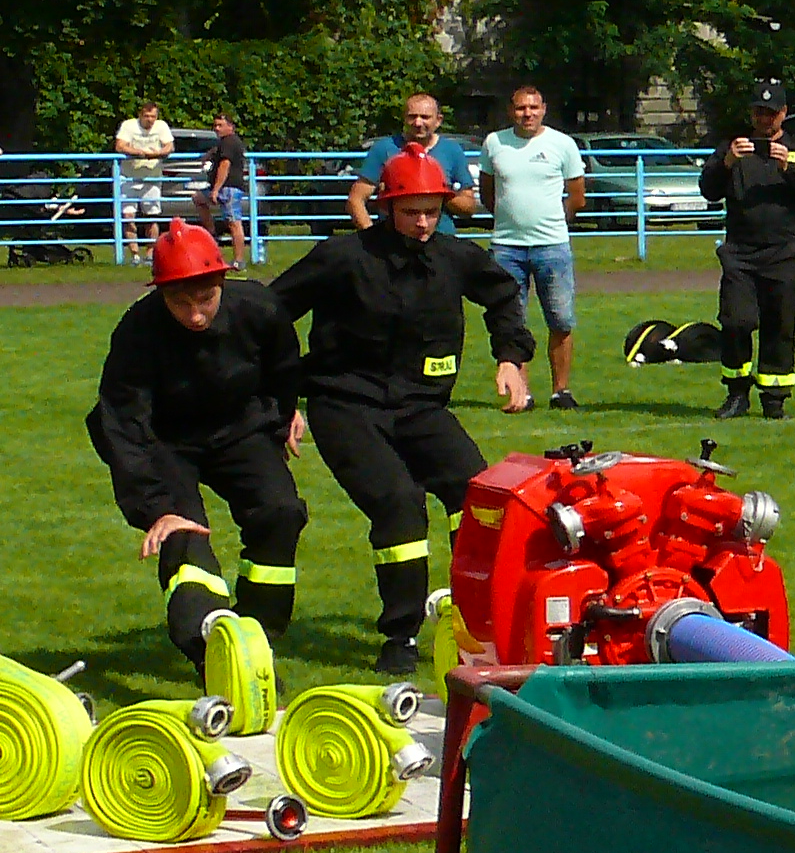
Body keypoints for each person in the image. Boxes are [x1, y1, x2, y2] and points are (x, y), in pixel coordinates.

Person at [273, 148, 532, 670]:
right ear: (387, 205)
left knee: (478, 491)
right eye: (411, 211)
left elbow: (504, 294)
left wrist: (510, 358)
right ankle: (401, 636)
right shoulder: (343, 256)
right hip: (345, 406)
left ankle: (475, 617)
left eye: (432, 211)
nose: (422, 223)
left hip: (421, 408)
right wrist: (278, 399)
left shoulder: (454, 257)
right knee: (398, 504)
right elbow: (270, 313)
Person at [86, 222, 308, 691]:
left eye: (204, 299)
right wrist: (156, 507)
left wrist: (282, 416)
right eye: (180, 303)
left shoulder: (260, 308)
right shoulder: (138, 330)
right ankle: (208, 653)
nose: (195, 315)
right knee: (185, 537)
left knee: (281, 512)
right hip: (164, 441)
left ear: (223, 283)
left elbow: (284, 366)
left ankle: (256, 646)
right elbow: (124, 424)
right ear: (160, 293)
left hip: (239, 429)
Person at [700, 81, 795, 420]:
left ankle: (774, 399)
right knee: (736, 322)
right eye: (758, 112)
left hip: (782, 251)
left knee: (779, 326)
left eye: (771, 113)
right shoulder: (734, 147)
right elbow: (708, 190)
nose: (764, 119)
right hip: (739, 252)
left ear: (783, 114)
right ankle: (737, 393)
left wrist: (788, 168)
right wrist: (725, 162)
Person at [476, 85, 588, 412]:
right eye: (521, 108)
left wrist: (555, 223)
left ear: (544, 109)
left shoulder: (562, 144)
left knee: (561, 320)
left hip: (552, 246)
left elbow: (577, 196)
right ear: (511, 111)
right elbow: (488, 192)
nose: (528, 114)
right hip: (506, 248)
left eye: (534, 108)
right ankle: (520, 393)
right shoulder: (494, 142)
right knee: (512, 323)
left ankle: (560, 391)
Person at [350, 92, 474, 232]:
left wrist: (439, 193)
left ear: (438, 120)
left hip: (441, 242)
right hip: (393, 242)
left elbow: (468, 208)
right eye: (412, 116)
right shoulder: (384, 149)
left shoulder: (452, 150)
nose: (418, 123)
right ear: (404, 118)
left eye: (425, 117)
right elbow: (356, 200)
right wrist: (370, 236)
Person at [111, 96, 176, 255]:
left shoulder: (161, 126)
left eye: (153, 116)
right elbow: (120, 146)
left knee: (151, 217)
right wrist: (139, 153)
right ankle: (134, 254)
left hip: (152, 176)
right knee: (128, 216)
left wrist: (159, 153)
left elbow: (170, 146)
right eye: (147, 116)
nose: (150, 120)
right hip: (128, 176)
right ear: (140, 115)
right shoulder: (129, 125)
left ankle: (150, 253)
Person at [195, 111, 252, 267]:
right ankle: (212, 234)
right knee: (198, 198)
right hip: (223, 188)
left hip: (229, 188)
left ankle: (239, 260)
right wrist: (209, 154)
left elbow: (225, 165)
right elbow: (218, 152)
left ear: (230, 127)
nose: (217, 129)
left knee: (234, 222)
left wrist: (216, 189)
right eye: (215, 125)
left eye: (220, 125)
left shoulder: (230, 142)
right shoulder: (224, 143)